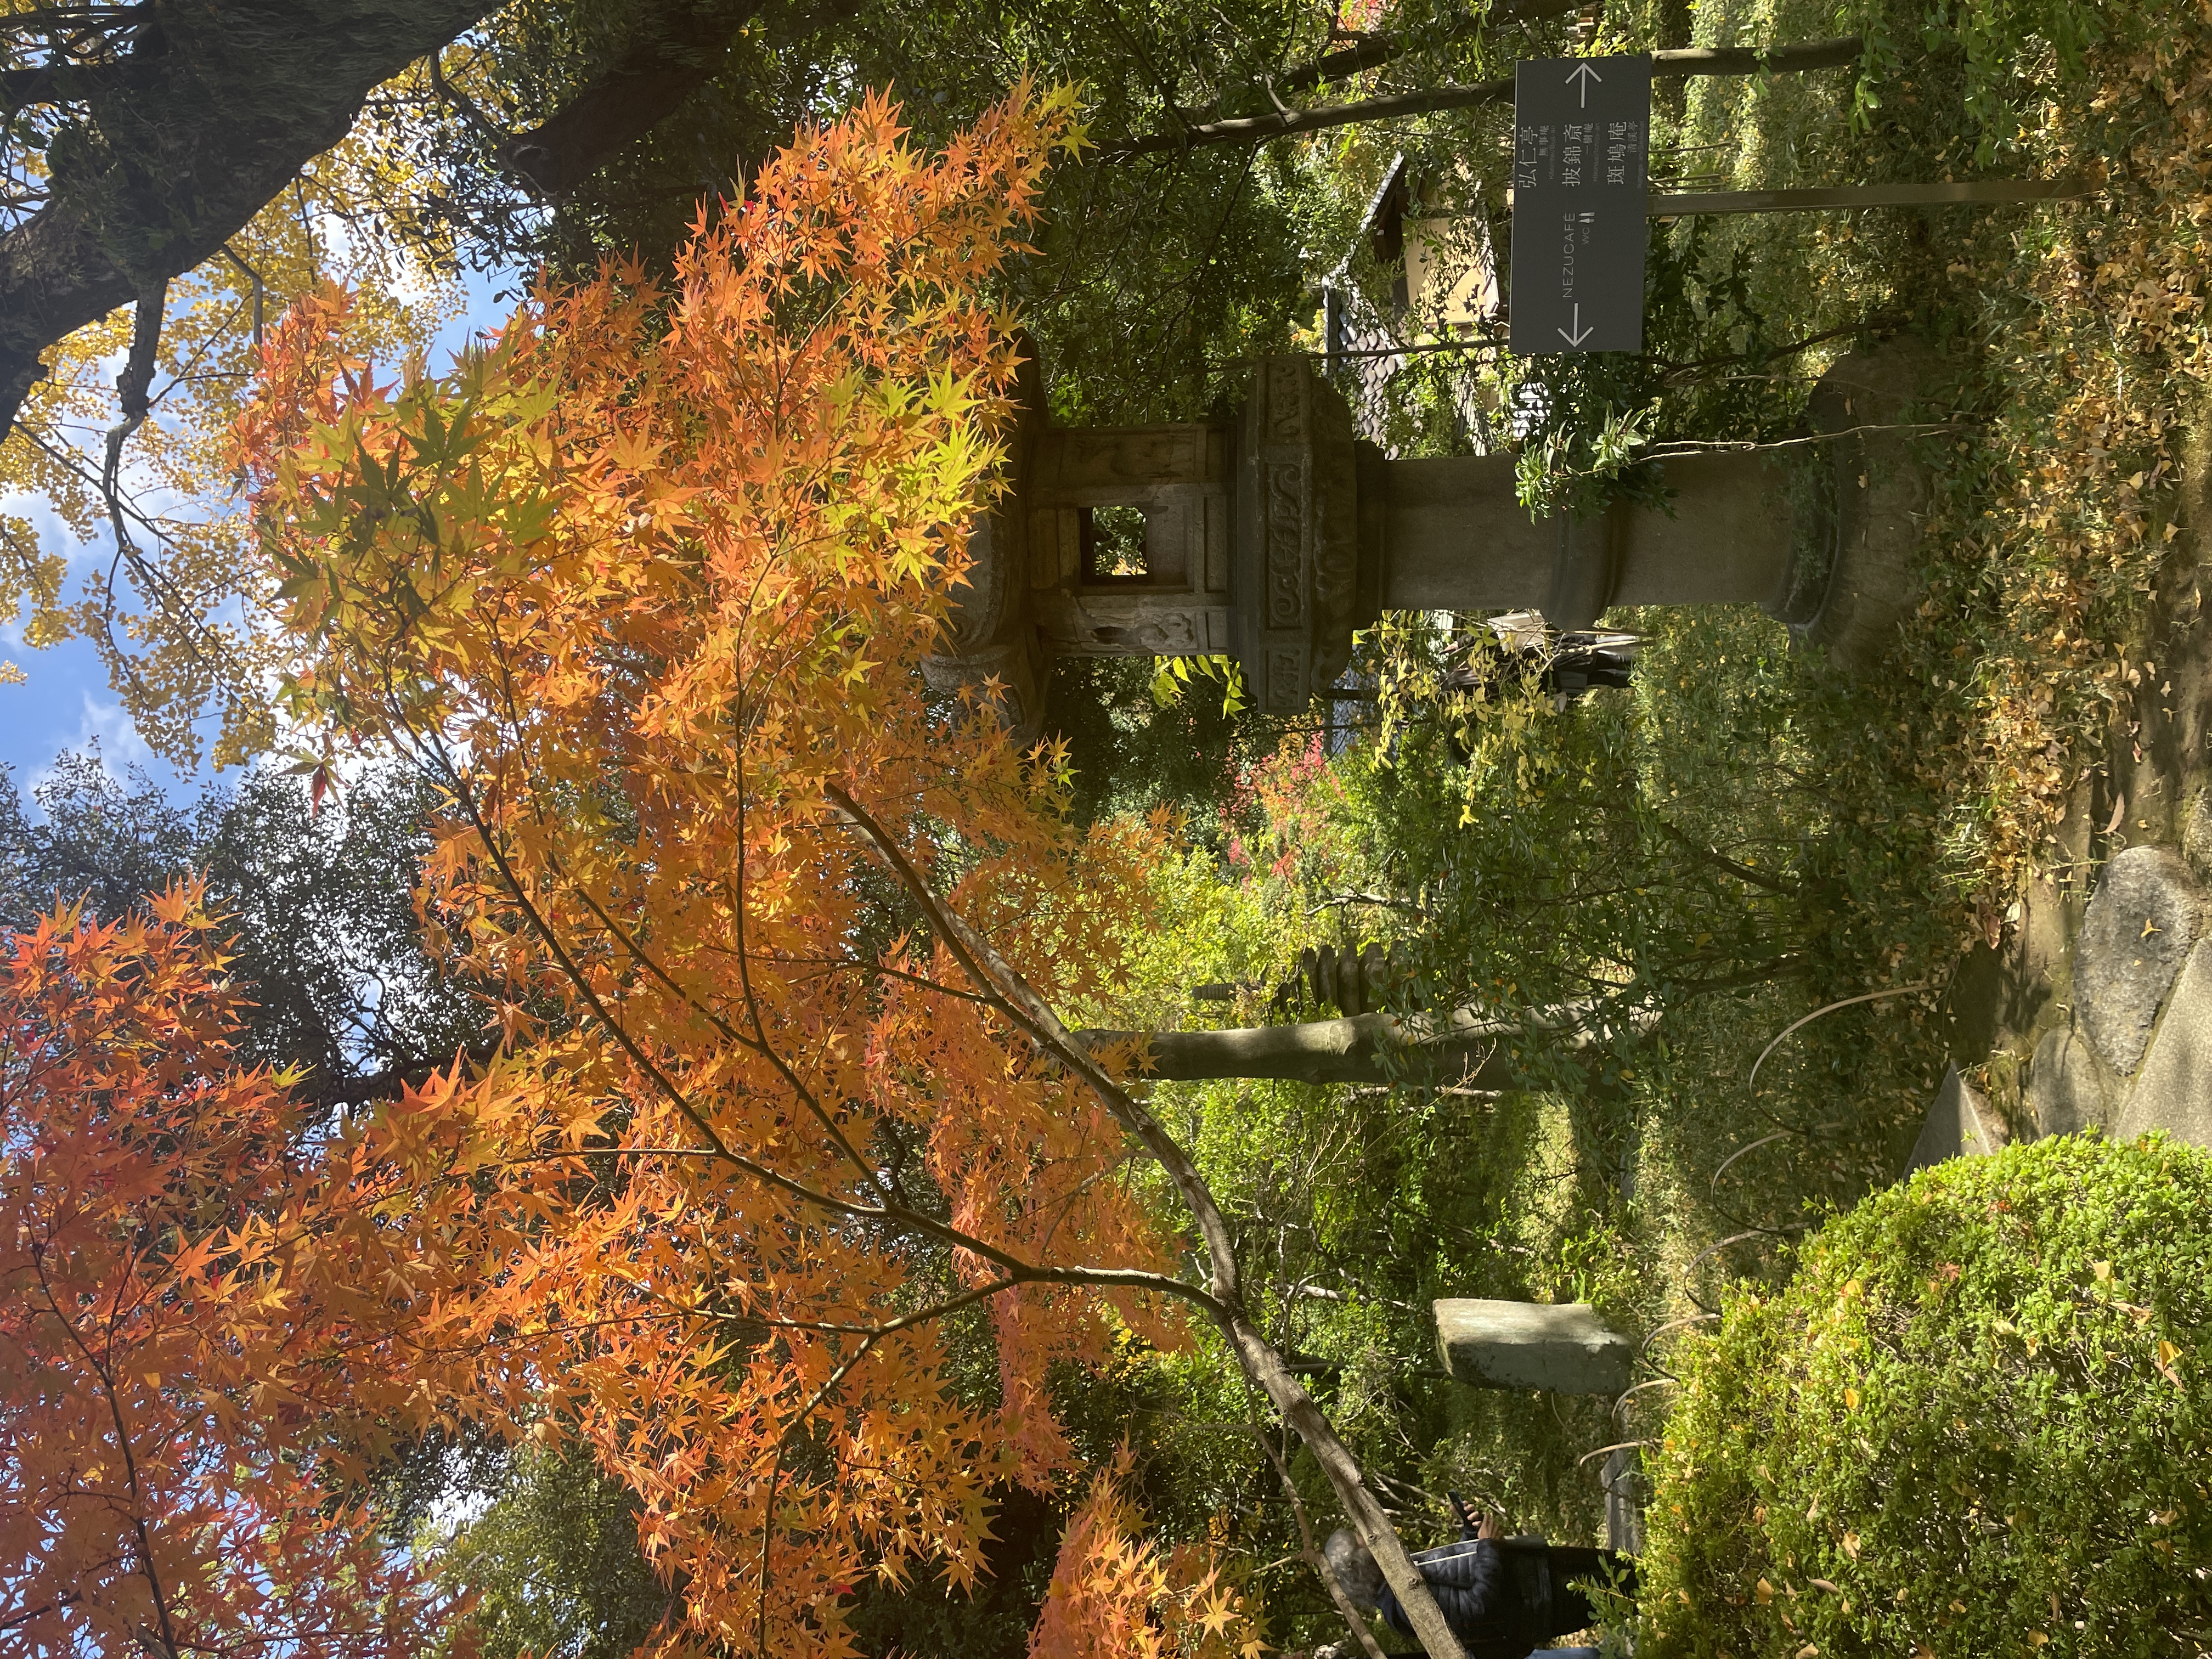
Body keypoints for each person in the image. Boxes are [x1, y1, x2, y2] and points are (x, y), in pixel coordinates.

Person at [1322, 1497, 1635, 1659]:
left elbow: (1457, 1572)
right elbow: (1477, 1607)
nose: (1375, 1539)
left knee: (1629, 1566)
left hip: (1536, 1568)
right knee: (1633, 1591)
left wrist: (1470, 1532)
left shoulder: (1399, 1574)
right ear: (1364, 1562)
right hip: (1542, 1598)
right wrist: (1487, 1547)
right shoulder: (1401, 1604)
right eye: (1367, 1543)